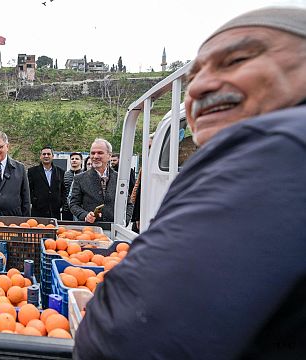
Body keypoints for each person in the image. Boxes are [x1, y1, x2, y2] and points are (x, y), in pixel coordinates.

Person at [75, 7, 306, 358]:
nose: (200, 86)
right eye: (194, 75)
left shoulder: (279, 147)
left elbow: (128, 336)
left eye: (236, 60)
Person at [69, 138, 133, 224]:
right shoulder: (80, 178)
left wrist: (125, 221)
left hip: (115, 229)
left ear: (109, 156)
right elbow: (73, 204)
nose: (95, 156)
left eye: (100, 153)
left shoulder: (119, 178)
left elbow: (128, 204)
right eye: (92, 153)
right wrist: (85, 215)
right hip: (91, 231)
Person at [28, 146, 65, 219]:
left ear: (53, 156)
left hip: (54, 211)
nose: (46, 156)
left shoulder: (60, 172)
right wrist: (34, 201)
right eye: (44, 154)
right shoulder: (32, 171)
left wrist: (60, 202)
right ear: (40, 156)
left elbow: (63, 190)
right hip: (38, 211)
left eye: (48, 154)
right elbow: (29, 189)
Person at [62, 152, 83, 220]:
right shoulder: (65, 175)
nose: (74, 160)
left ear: (81, 161)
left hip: (80, 209)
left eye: (77, 159)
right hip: (66, 209)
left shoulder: (84, 175)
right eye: (72, 159)